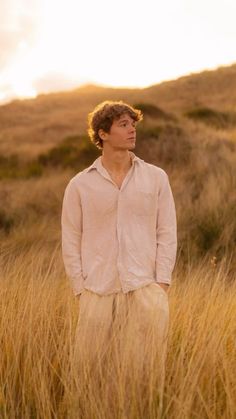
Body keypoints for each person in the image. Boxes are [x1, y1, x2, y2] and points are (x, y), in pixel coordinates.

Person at [61, 100, 177, 416]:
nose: (131, 130)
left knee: (145, 374)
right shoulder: (80, 184)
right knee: (90, 375)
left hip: (145, 289)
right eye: (124, 124)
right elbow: (70, 240)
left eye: (132, 123)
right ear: (103, 133)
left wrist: (161, 284)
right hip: (96, 292)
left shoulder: (156, 178)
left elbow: (166, 231)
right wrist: (80, 289)